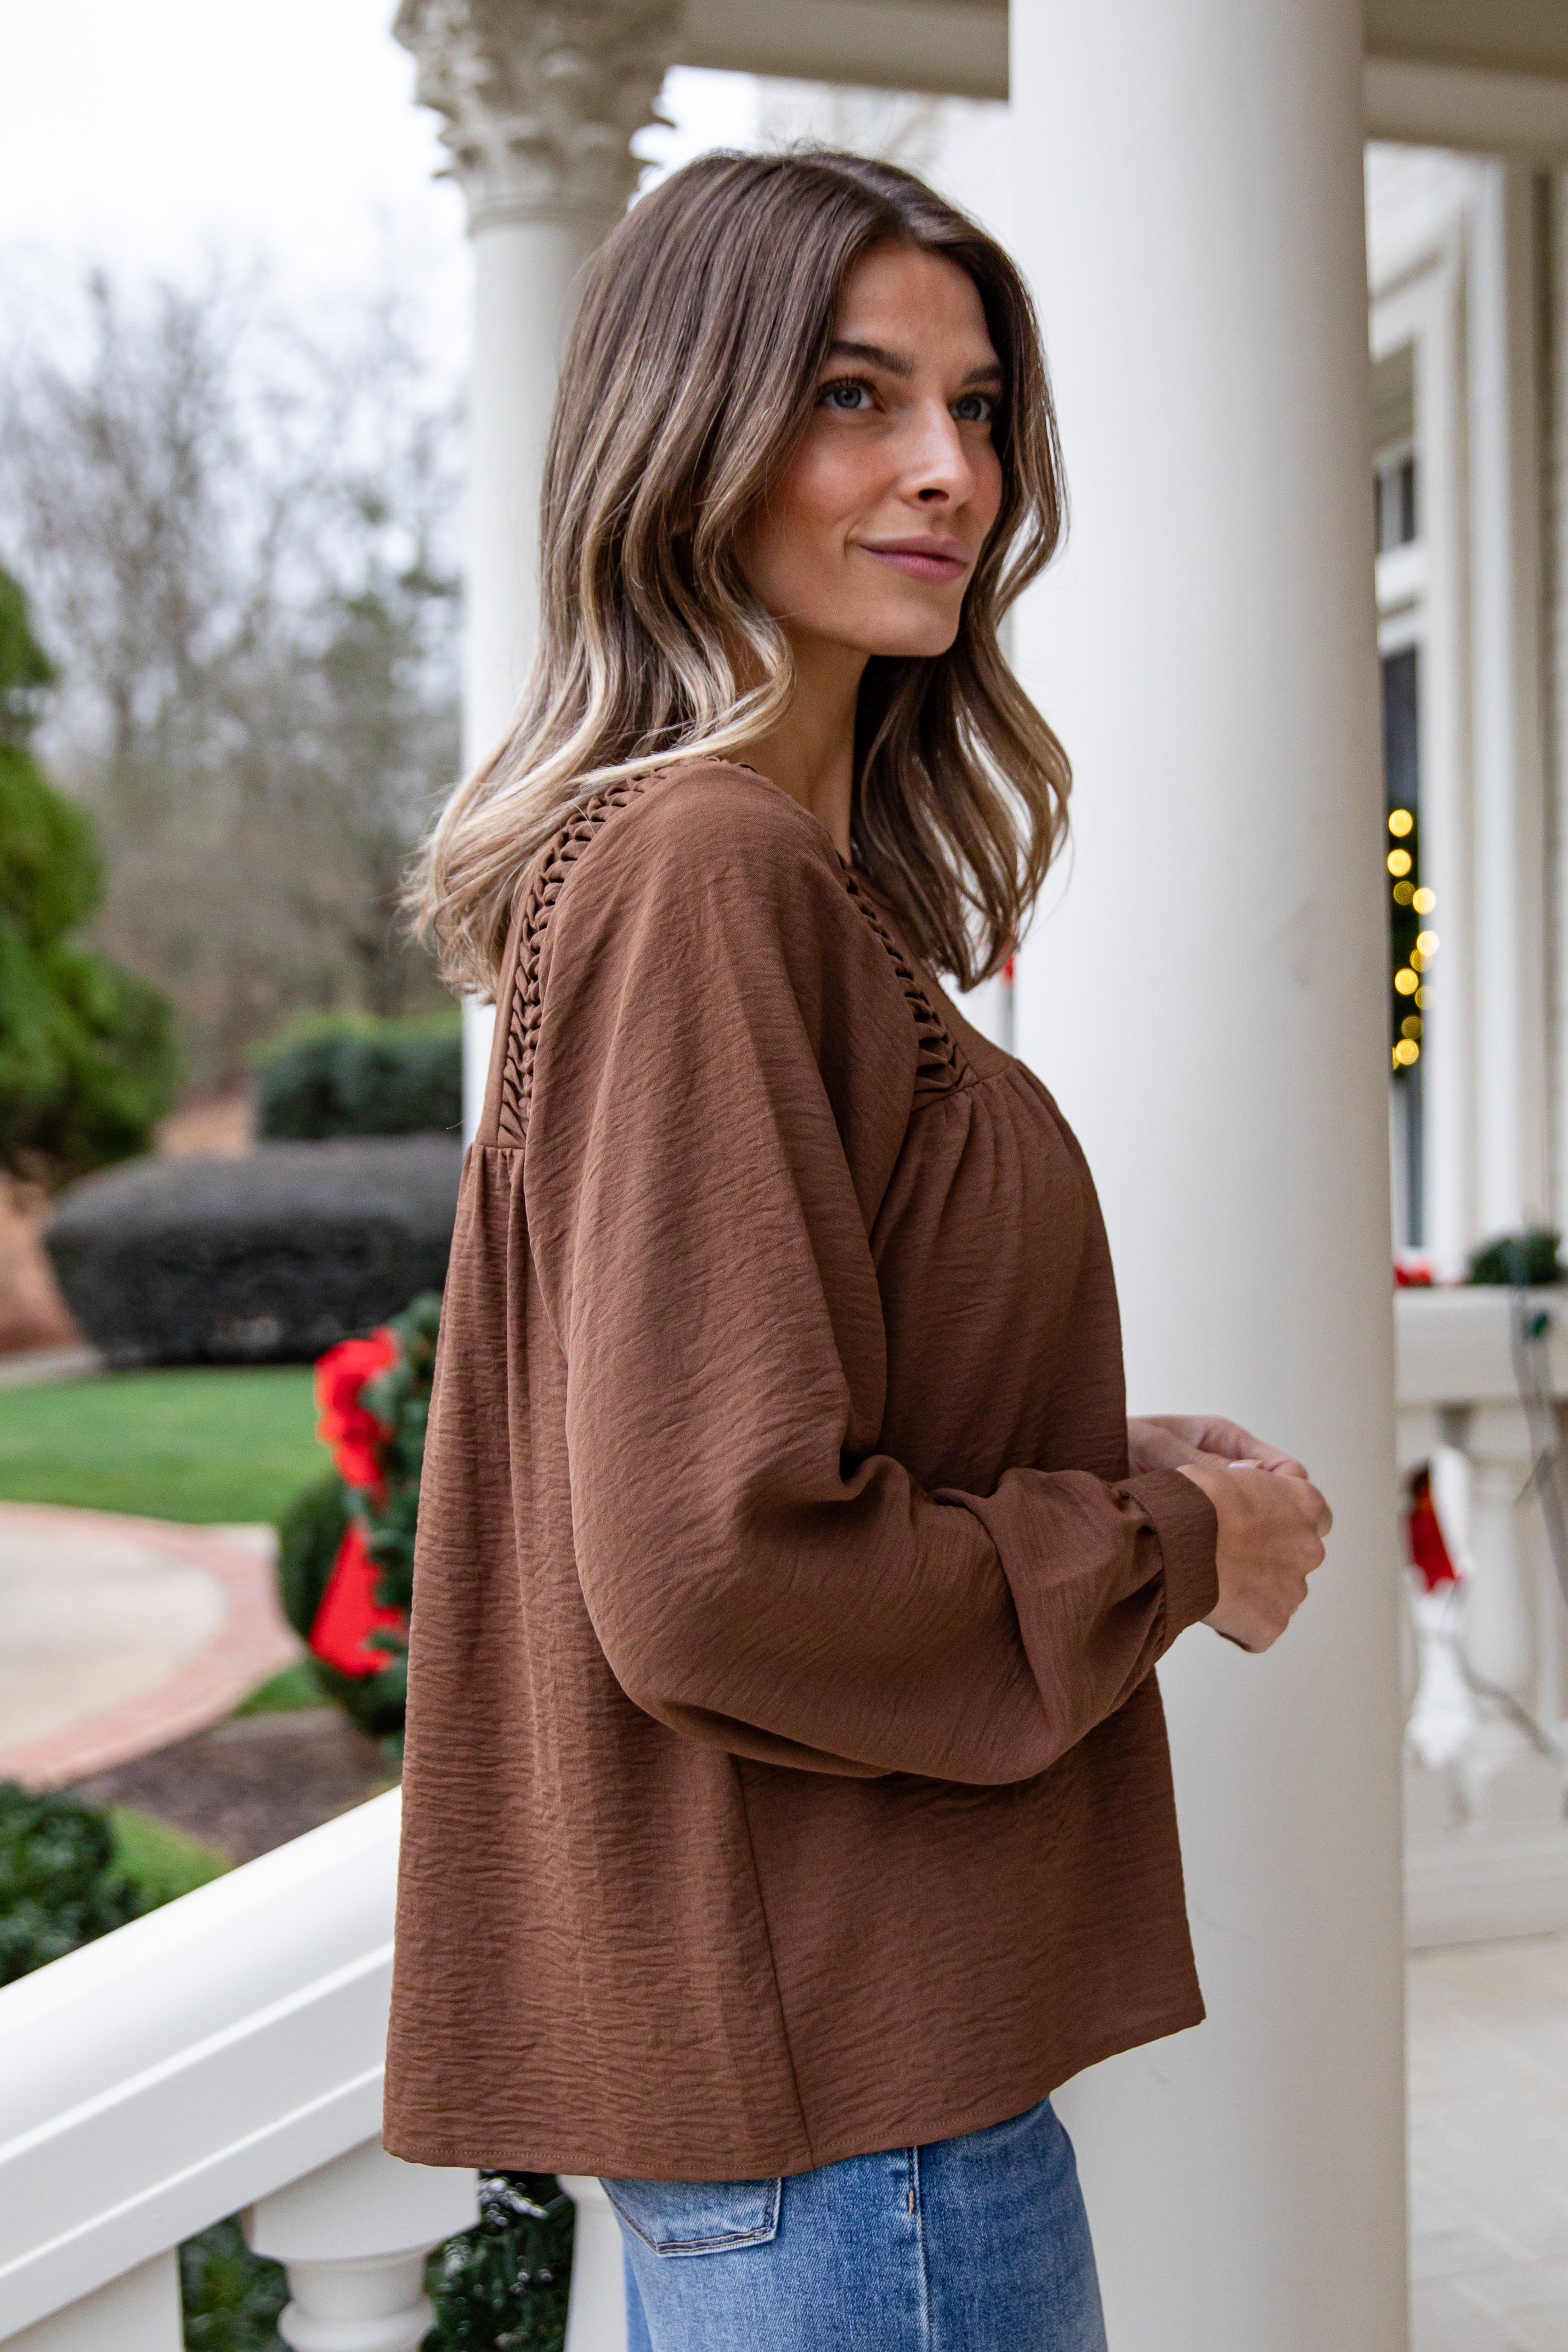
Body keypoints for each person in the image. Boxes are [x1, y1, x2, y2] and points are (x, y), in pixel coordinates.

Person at [386, 149, 1330, 2352]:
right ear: (689, 432)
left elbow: (757, 1426)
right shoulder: (708, 873)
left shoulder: (755, 879)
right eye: (855, 394)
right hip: (852, 2150)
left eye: (980, 406)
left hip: (838, 2135)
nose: (946, 471)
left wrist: (1103, 1452)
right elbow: (717, 1559)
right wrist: (1164, 1546)